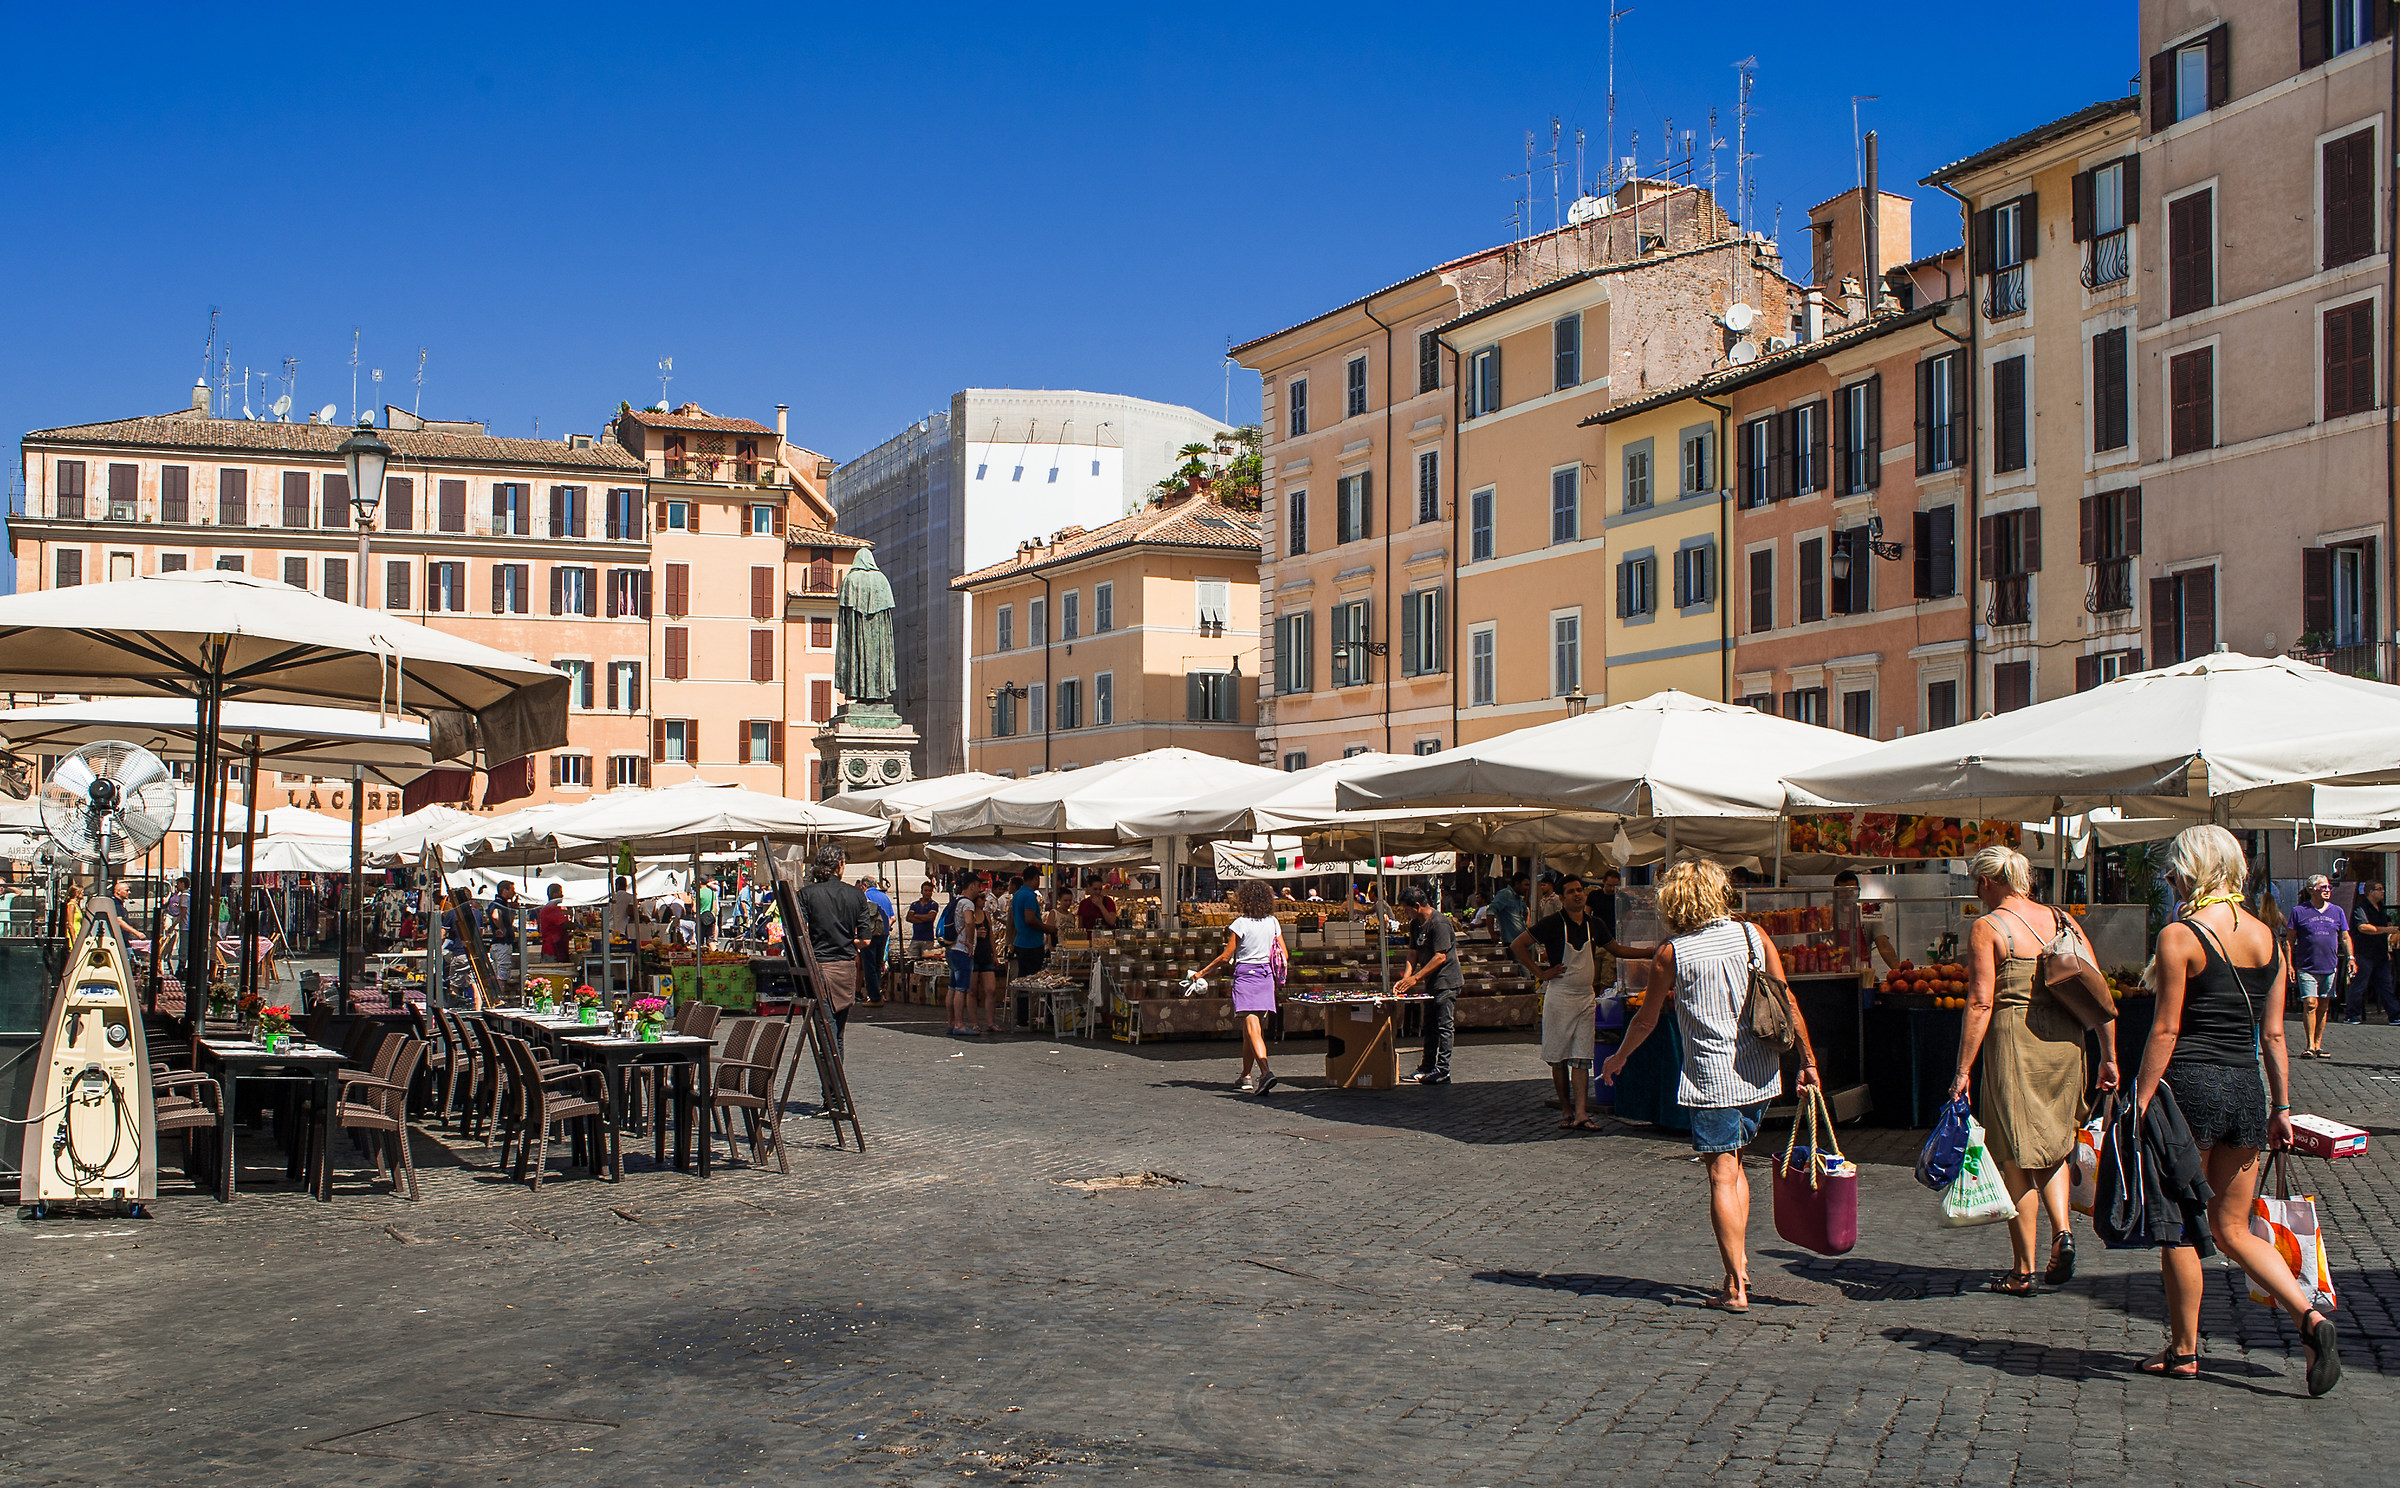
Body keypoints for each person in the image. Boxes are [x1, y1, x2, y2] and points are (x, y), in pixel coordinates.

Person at [2133, 825, 2339, 1394]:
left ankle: (2184, 1351)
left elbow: (2168, 1027)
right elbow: (2274, 1035)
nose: (2171, 879)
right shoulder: (2271, 938)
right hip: (2246, 1091)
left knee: (2177, 1225)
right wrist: (2283, 1107)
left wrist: (2141, 1097)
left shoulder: (2180, 935)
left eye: (2175, 869)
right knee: (2233, 1227)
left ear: (2193, 869)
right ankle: (2310, 1317)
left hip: (2191, 1087)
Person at [1601, 859, 1821, 1314]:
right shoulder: (1753, 936)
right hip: (1760, 1072)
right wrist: (1808, 1061)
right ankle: (1738, 1261)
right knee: (1736, 1164)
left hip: (1712, 1076)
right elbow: (1788, 999)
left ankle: (1735, 1283)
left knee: (1721, 1173)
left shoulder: (1673, 953)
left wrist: (1618, 1058)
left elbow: (1646, 1019)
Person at [1945, 846, 2117, 1295]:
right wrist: (2109, 1054)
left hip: (2014, 1041)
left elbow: (1981, 1002)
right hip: (2067, 1044)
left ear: (1986, 883)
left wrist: (1962, 1069)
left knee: (2015, 1154)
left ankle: (2023, 1270)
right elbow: (2099, 995)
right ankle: (2063, 1230)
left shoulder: (1988, 927)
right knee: (2055, 1142)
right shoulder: (2063, 919)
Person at [1512, 874, 1611, 1131]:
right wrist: (1540, 973)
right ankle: (1566, 1110)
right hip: (1560, 995)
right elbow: (1519, 945)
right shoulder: (1552, 923)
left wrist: (1650, 952)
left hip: (1585, 998)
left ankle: (1580, 1113)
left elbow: (1617, 949)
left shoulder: (1595, 924)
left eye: (1580, 890)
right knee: (1559, 1058)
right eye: (1571, 892)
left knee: (1581, 1057)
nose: (1577, 894)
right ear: (1562, 897)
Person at [1197, 879, 1286, 1094]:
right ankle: (1246, 1076)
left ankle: (1265, 1072)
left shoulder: (1240, 924)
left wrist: (1201, 973)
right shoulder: (1273, 922)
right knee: (1251, 1030)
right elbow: (1283, 952)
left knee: (1252, 1027)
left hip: (1246, 976)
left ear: (1244, 900)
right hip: (1266, 976)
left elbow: (1226, 957)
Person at [794, 844, 872, 1046]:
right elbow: (865, 940)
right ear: (840, 864)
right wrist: (848, 940)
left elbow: (800, 932)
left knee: (826, 1033)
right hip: (845, 969)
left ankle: (833, 1076)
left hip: (818, 966)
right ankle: (836, 1076)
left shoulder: (807, 894)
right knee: (837, 1033)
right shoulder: (856, 895)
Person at [1394, 887, 1464, 1085]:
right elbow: (1413, 953)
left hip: (1446, 981)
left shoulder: (1439, 923)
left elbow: (1440, 956)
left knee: (1444, 1026)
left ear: (1417, 906)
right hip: (1431, 982)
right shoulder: (1416, 924)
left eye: (1406, 909)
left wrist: (1415, 979)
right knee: (1430, 1025)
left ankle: (1443, 1069)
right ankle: (1426, 1066)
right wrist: (1405, 980)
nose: (1405, 913)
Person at [2286, 874, 2351, 1058]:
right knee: (2310, 1003)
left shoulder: (2337, 911)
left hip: (2329, 965)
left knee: (2323, 1005)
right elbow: (2290, 940)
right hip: (2306, 966)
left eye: (2329, 887)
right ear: (2311, 889)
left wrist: (2351, 957)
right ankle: (2309, 1045)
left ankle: (2318, 1043)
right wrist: (2289, 964)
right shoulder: (2299, 911)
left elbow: (2345, 937)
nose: (2327, 890)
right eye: (2323, 887)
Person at [2348, 878, 2398, 1025]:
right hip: (2364, 953)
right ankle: (2352, 1015)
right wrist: (2386, 930)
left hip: (2381, 954)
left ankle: (2395, 1016)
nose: (2383, 892)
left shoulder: (2380, 908)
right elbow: (2362, 927)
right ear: (2370, 892)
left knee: (2386, 986)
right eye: (2379, 889)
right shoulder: (2361, 908)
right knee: (2359, 985)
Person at [941, 876, 980, 1037]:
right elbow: (969, 922)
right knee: (961, 989)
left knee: (952, 987)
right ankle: (959, 1024)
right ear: (971, 886)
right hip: (961, 949)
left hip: (951, 949)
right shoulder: (967, 903)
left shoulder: (955, 901)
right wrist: (970, 942)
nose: (979, 890)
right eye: (978, 886)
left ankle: (951, 1022)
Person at [858, 876, 895, 1006]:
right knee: (878, 964)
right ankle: (877, 994)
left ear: (864, 886)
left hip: (870, 933)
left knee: (869, 965)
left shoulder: (864, 896)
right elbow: (893, 917)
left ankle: (874, 997)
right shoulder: (885, 897)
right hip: (884, 933)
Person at [1010, 871, 1050, 981]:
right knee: (1032, 980)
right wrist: (1047, 928)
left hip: (1020, 942)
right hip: (1031, 945)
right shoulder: (1029, 896)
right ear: (1036, 878)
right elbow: (1030, 919)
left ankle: (1022, 998)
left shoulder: (1017, 895)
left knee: (1022, 979)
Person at [488, 881, 522, 982]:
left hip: (499, 944)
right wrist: (501, 928)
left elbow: (508, 921)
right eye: (512, 890)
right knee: (502, 976)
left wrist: (512, 909)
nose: (514, 892)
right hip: (502, 943)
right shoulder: (499, 904)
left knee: (498, 974)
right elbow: (495, 915)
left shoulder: (504, 904)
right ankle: (500, 996)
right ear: (504, 890)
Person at [1490, 873, 1530, 948]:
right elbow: (1490, 912)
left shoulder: (1519, 898)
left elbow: (1525, 912)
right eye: (1526, 885)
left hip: (1522, 940)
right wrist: (1492, 934)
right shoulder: (1505, 894)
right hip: (1511, 942)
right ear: (1517, 884)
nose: (1527, 888)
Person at [537, 882, 572, 962]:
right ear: (554, 894)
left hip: (557, 947)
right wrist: (576, 925)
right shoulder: (551, 908)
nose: (562, 895)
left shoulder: (553, 908)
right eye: (560, 892)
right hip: (552, 949)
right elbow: (565, 924)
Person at [907, 880, 942, 954]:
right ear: (922, 891)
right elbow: (909, 918)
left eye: (929, 891)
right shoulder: (914, 904)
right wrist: (924, 919)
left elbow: (930, 917)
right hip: (916, 938)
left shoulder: (933, 904)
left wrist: (916, 916)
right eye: (925, 890)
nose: (927, 893)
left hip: (928, 939)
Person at [607, 876, 636, 941]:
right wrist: (641, 917)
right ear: (626, 885)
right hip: (620, 929)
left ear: (617, 885)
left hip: (609, 927)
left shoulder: (613, 897)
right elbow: (630, 912)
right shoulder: (630, 897)